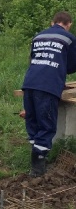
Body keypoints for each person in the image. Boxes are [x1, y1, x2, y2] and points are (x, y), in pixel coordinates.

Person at [22, 11, 76, 177]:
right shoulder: (69, 38)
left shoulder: (37, 36)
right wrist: (58, 69)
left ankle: (36, 159)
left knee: (33, 122)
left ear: (53, 22)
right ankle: (38, 170)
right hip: (47, 87)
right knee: (47, 126)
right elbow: (72, 65)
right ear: (69, 24)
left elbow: (34, 59)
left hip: (29, 84)